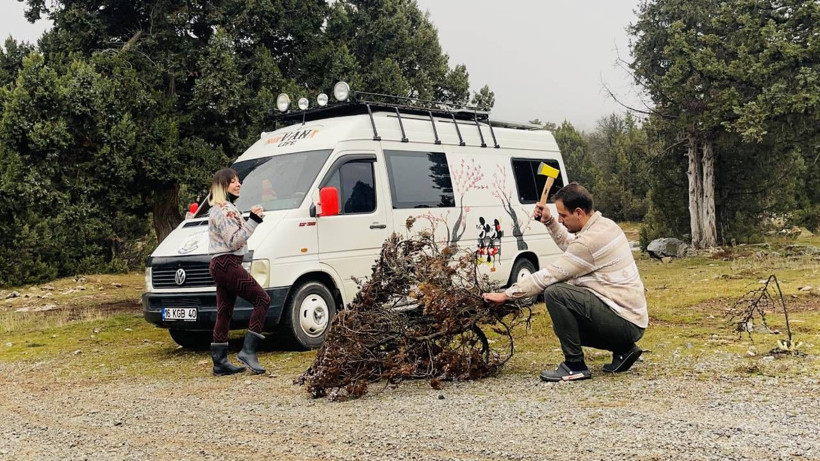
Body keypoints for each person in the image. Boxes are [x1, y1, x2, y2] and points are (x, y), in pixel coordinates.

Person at [483, 183, 647, 382]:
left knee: (555, 293)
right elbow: (573, 247)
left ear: (578, 212)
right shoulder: (605, 226)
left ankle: (575, 365)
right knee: (565, 325)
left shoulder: (590, 241)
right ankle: (624, 350)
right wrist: (550, 221)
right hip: (631, 320)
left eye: (563, 215)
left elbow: (549, 275)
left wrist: (506, 295)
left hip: (624, 321)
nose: (561, 220)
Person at [207, 168, 271, 376]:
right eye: (233, 181)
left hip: (221, 264)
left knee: (224, 312)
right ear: (223, 186)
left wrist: (251, 219)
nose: (238, 184)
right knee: (262, 300)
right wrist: (253, 220)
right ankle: (248, 351)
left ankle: (220, 363)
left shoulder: (220, 209)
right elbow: (234, 241)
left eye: (238, 180)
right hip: (227, 264)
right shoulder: (225, 209)